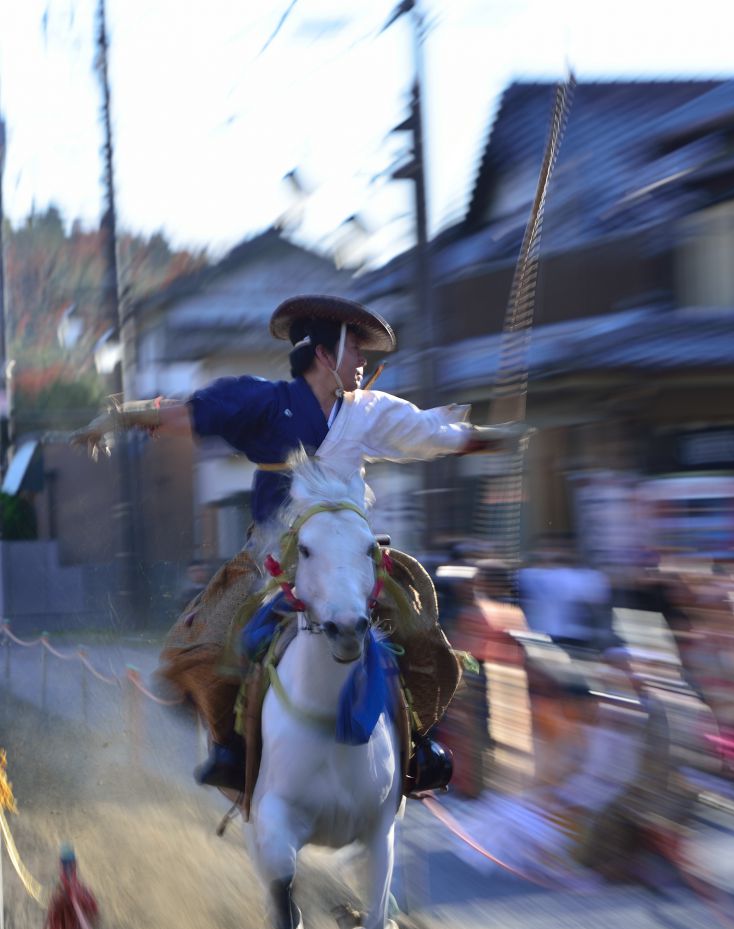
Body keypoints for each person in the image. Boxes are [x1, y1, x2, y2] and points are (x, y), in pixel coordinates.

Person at [74, 294, 522, 792]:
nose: (364, 364)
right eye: (356, 352)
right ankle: (232, 748)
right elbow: (193, 413)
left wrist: (483, 436)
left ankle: (416, 745)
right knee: (218, 639)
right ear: (326, 356)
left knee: (418, 628)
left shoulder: (367, 412)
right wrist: (120, 417)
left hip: (351, 557)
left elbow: (427, 431)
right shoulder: (265, 403)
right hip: (274, 557)